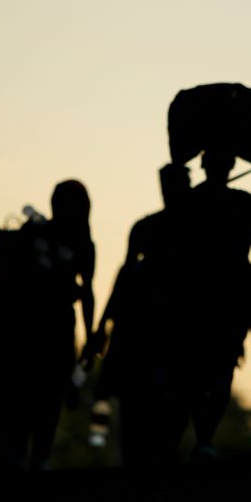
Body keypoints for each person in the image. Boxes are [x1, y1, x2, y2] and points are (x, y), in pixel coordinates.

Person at [174, 148, 251, 459]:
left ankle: (204, 437)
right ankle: (204, 437)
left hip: (222, 298)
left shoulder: (196, 201)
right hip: (212, 297)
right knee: (212, 369)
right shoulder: (238, 203)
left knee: (214, 368)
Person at [0, 180, 96, 471]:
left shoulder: (78, 243)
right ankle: (28, 459)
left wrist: (89, 336)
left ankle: (34, 459)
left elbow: (86, 292)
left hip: (49, 332)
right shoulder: (43, 234)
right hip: (31, 331)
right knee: (32, 400)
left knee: (45, 400)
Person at [92, 163, 192, 465]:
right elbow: (124, 276)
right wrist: (103, 324)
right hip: (139, 332)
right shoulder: (147, 228)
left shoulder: (194, 231)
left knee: (171, 407)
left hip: (175, 332)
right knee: (135, 407)